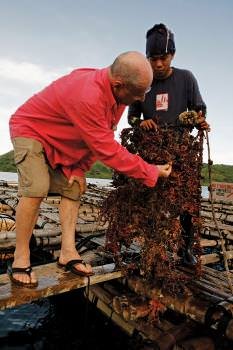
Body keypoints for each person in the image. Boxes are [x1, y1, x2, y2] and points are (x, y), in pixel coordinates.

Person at [8, 51, 172, 287]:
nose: (140, 99)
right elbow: (106, 148)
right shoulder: (89, 95)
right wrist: (151, 171)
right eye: (137, 94)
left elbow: (100, 135)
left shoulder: (117, 95)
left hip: (63, 139)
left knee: (74, 187)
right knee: (37, 186)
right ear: (118, 84)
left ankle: (67, 252)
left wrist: (80, 167)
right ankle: (20, 257)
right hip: (31, 129)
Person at [127, 24, 210, 265]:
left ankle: (185, 250)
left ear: (172, 55)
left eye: (163, 58)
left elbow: (199, 109)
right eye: (153, 59)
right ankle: (152, 248)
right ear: (147, 59)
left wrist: (197, 119)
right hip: (151, 153)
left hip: (181, 152)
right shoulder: (144, 82)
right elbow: (132, 116)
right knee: (150, 202)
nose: (158, 64)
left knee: (186, 202)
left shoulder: (186, 78)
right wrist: (140, 124)